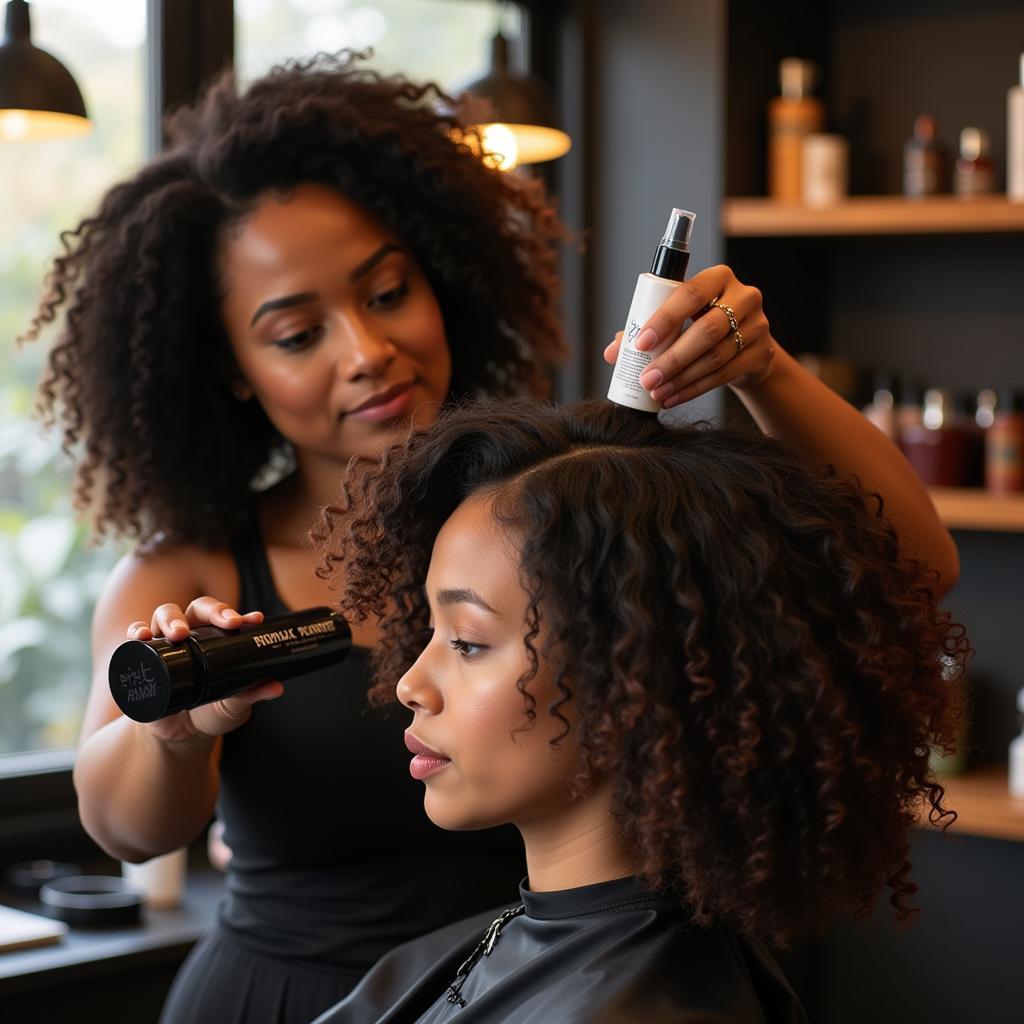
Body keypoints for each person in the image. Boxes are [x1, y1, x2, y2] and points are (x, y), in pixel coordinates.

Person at [22, 51, 958, 1024]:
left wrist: (761, 369)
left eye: (386, 292)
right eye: (298, 334)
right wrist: (175, 731)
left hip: (549, 984)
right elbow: (127, 825)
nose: (367, 350)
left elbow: (903, 570)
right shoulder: (193, 568)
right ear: (231, 368)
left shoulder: (546, 506)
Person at [310, 397, 966, 1024]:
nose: (409, 684)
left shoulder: (642, 1007)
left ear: (629, 673)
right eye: (430, 629)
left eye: (469, 642)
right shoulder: (528, 932)